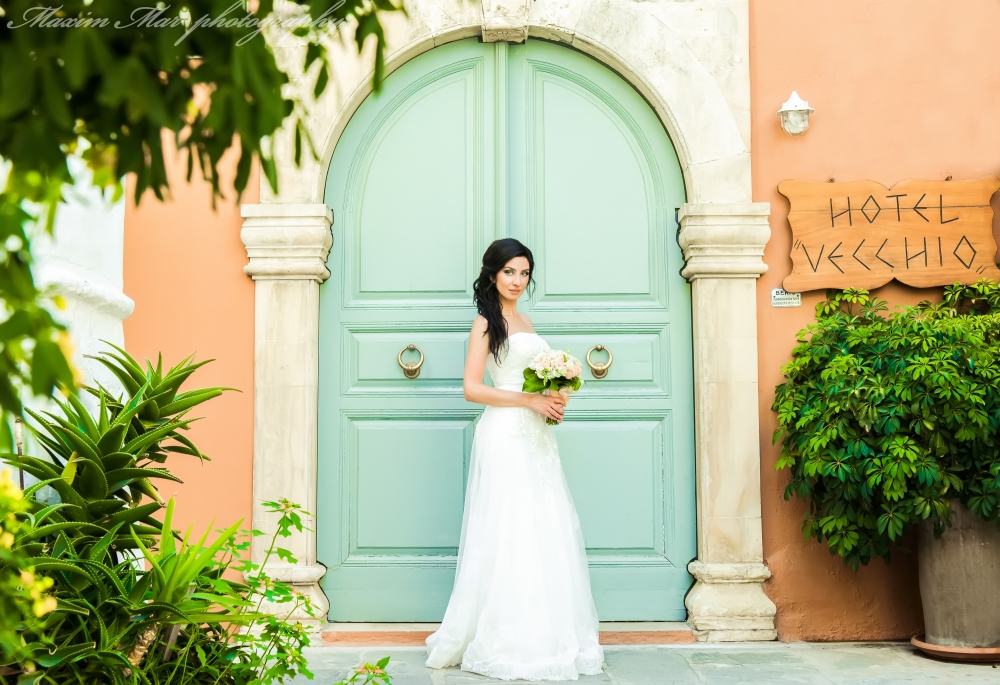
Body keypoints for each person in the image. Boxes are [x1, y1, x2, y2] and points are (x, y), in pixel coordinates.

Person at [425, 238, 604, 681]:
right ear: (492, 275)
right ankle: (507, 639)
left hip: (535, 436)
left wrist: (553, 397)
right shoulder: (485, 324)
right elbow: (472, 388)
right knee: (509, 525)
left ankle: (546, 632)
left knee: (543, 523)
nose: (517, 281)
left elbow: (531, 381)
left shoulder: (525, 320)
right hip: (504, 433)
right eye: (509, 272)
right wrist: (529, 400)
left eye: (524, 273)